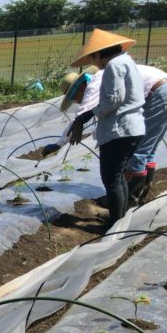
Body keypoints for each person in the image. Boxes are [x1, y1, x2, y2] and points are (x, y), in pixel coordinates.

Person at [51, 62, 167, 206]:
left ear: (80, 87)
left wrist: (59, 144)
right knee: (148, 149)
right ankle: (141, 196)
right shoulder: (105, 79)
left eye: (74, 97)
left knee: (138, 151)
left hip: (160, 94)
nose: (76, 101)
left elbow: (81, 116)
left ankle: (129, 203)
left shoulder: (94, 84)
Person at [67, 29, 145, 227]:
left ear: (99, 53)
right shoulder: (127, 62)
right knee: (117, 177)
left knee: (111, 179)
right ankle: (119, 219)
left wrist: (86, 115)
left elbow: (112, 101)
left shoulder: (114, 66)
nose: (94, 63)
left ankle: (114, 225)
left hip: (120, 129)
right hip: (132, 127)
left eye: (93, 58)